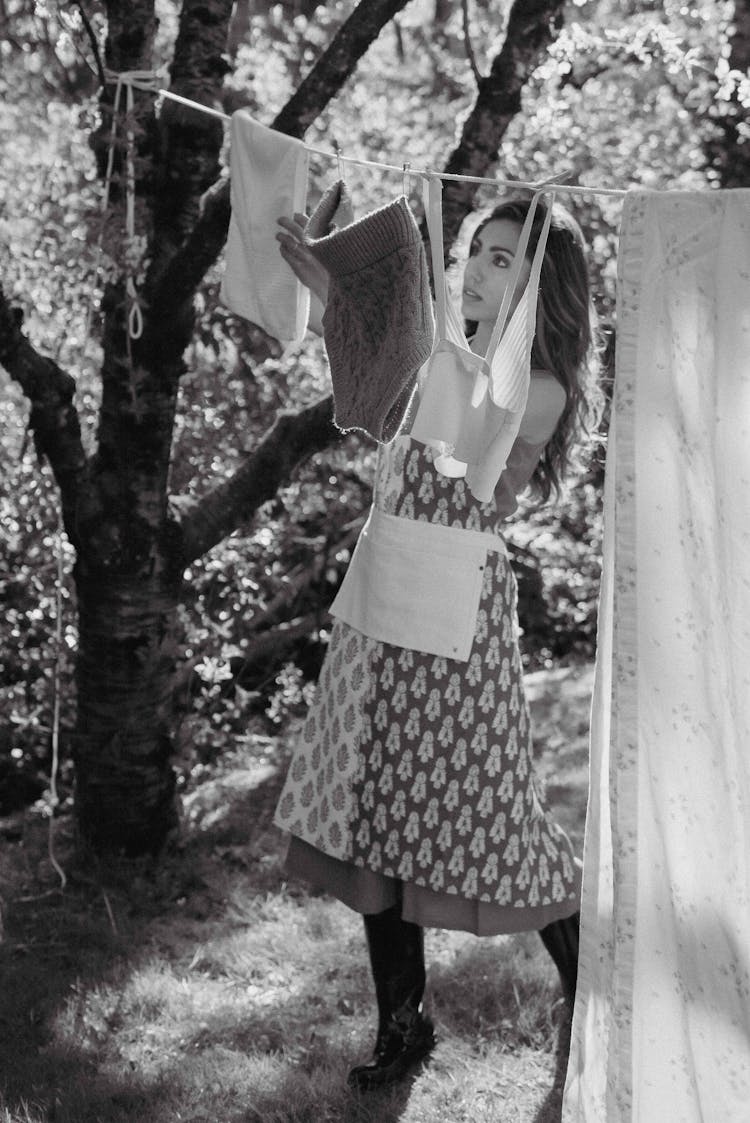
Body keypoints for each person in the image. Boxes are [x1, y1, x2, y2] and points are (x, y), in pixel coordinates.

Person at [273, 188, 601, 1091]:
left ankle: (592, 990)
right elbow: (389, 391)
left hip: (460, 619)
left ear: (540, 285)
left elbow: (449, 413)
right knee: (375, 805)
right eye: (477, 252)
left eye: (504, 259)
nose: (480, 270)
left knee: (498, 813)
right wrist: (332, 296)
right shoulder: (446, 361)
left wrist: (369, 309)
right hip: (384, 599)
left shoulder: (535, 384)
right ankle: (403, 1023)